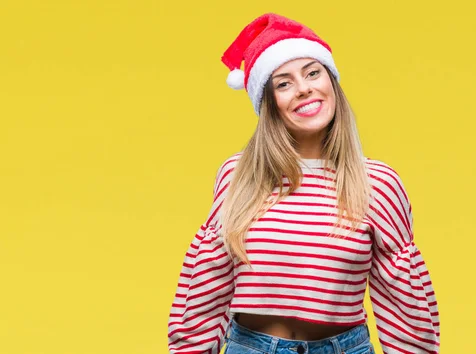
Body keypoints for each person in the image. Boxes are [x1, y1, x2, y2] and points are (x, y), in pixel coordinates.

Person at [167, 13, 440, 354]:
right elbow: (208, 285)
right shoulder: (238, 175)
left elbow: (404, 301)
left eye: (313, 73)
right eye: (284, 83)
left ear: (332, 83)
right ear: (269, 104)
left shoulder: (378, 183)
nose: (304, 88)